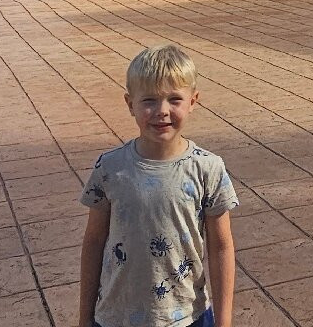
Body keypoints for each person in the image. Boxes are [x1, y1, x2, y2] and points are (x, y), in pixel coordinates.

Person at [79, 44, 239, 327]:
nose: (162, 111)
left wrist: (224, 322)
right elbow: (94, 242)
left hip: (188, 316)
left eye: (174, 99)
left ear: (193, 101)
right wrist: (84, 317)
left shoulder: (208, 168)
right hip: (117, 316)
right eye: (149, 100)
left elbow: (221, 246)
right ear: (130, 104)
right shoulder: (111, 168)